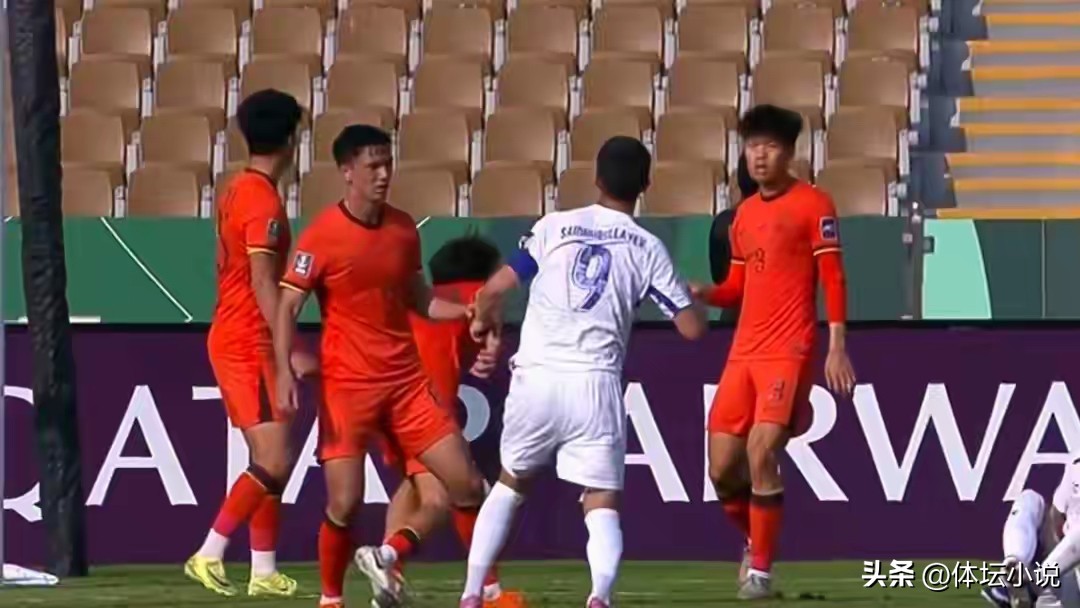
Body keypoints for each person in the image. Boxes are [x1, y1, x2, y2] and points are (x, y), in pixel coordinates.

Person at [459, 136, 708, 608]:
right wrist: (692, 296)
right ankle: (599, 596)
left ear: (596, 179)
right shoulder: (648, 248)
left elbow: (493, 291)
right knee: (601, 499)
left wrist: (481, 325)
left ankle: (472, 592)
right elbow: (691, 329)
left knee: (510, 483)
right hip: (594, 383)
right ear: (646, 185)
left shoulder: (553, 226)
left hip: (537, 377)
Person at [273, 124, 488, 608]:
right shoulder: (321, 236)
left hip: (406, 383)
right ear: (347, 171)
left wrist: (463, 312)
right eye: (373, 166)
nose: (384, 174)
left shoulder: (403, 229)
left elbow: (419, 299)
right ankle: (331, 599)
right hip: (347, 387)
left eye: (387, 164)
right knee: (344, 503)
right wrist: (284, 368)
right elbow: (287, 305)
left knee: (466, 484)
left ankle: (481, 592)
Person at [694, 104, 857, 600]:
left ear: (789, 153)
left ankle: (761, 572)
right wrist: (702, 292)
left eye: (769, 147)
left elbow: (833, 278)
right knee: (720, 469)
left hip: (789, 350)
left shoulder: (814, 204)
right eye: (752, 147)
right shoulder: (743, 216)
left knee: (762, 450)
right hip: (743, 353)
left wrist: (837, 347)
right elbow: (736, 288)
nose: (759, 156)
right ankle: (755, 541)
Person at [185, 89, 308, 599]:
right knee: (274, 459)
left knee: (271, 457)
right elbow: (262, 280)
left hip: (241, 334)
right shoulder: (262, 200)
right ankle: (209, 552)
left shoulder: (238, 188)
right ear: (292, 140)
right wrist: (284, 349)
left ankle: (263, 570)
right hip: (247, 340)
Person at [381, 234, 524, 607]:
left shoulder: (424, 299)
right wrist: (493, 342)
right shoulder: (476, 295)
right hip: (423, 408)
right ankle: (484, 589)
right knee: (446, 496)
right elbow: (487, 319)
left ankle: (389, 577)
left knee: (413, 485)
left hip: (386, 402)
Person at [981, 463, 1080, 608]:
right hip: (1059, 574)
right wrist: (1057, 550)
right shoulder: (1076, 463)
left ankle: (1032, 586)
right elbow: (1056, 514)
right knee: (1029, 498)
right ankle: (1013, 572)